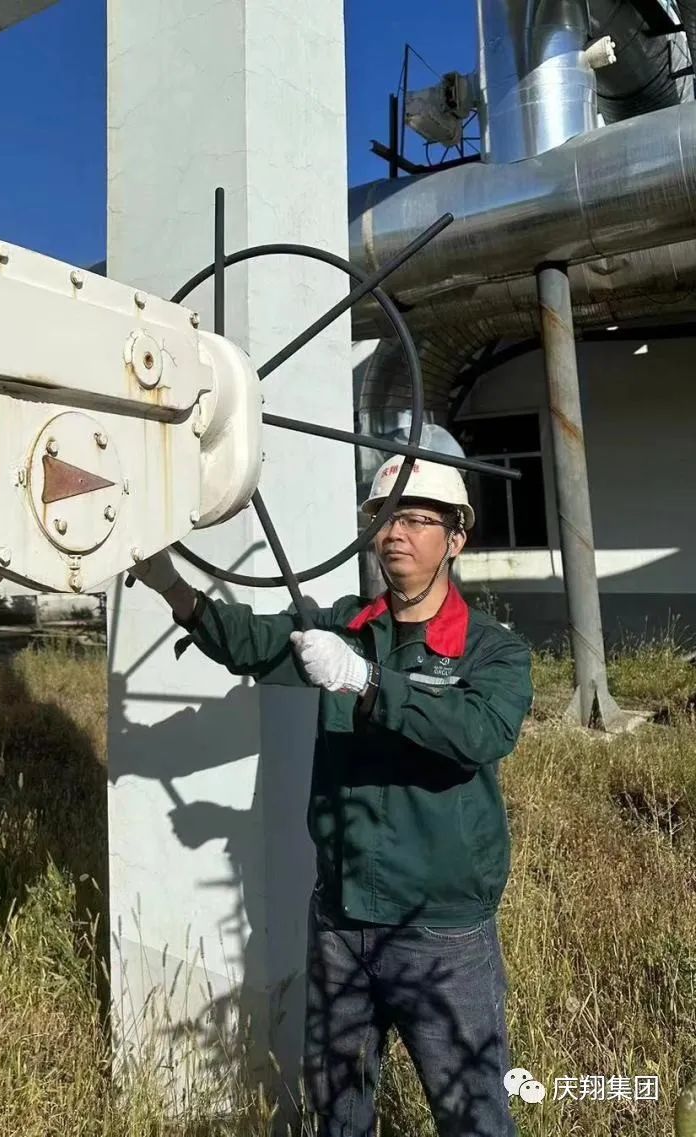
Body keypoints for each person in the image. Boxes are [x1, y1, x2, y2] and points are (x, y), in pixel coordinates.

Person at [128, 457, 533, 1137]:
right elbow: (252, 643)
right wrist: (172, 585)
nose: (394, 533)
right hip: (341, 921)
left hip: (439, 931)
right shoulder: (348, 626)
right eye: (383, 518)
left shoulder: (492, 650)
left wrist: (367, 682)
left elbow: (480, 732)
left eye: (415, 519)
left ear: (456, 538)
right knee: (339, 1111)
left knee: (473, 1114)